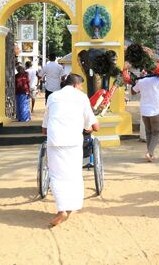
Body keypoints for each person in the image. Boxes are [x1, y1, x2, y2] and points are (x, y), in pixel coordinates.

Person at [42, 74, 99, 227]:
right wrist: (87, 128)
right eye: (81, 86)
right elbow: (95, 127)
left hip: (55, 141)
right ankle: (71, 206)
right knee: (73, 173)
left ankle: (62, 209)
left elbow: (44, 129)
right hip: (74, 141)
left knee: (56, 175)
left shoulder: (52, 97)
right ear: (75, 85)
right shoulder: (82, 97)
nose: (81, 88)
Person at [132, 73, 159, 162]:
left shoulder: (141, 81)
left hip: (144, 111)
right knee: (156, 132)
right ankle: (149, 152)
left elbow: (133, 91)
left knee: (149, 132)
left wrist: (134, 83)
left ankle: (150, 154)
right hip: (155, 111)